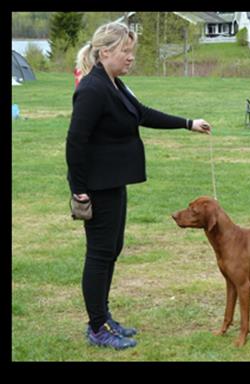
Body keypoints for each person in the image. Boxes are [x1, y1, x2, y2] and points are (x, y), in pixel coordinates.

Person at [65, 22, 212, 350]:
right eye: (125, 51)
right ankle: (97, 327)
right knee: (100, 254)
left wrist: (187, 124)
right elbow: (76, 140)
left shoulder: (114, 85)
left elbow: (142, 114)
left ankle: (103, 317)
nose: (131, 57)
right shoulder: (92, 89)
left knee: (112, 250)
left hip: (114, 182)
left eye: (131, 51)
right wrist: (78, 189)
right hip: (97, 187)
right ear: (105, 53)